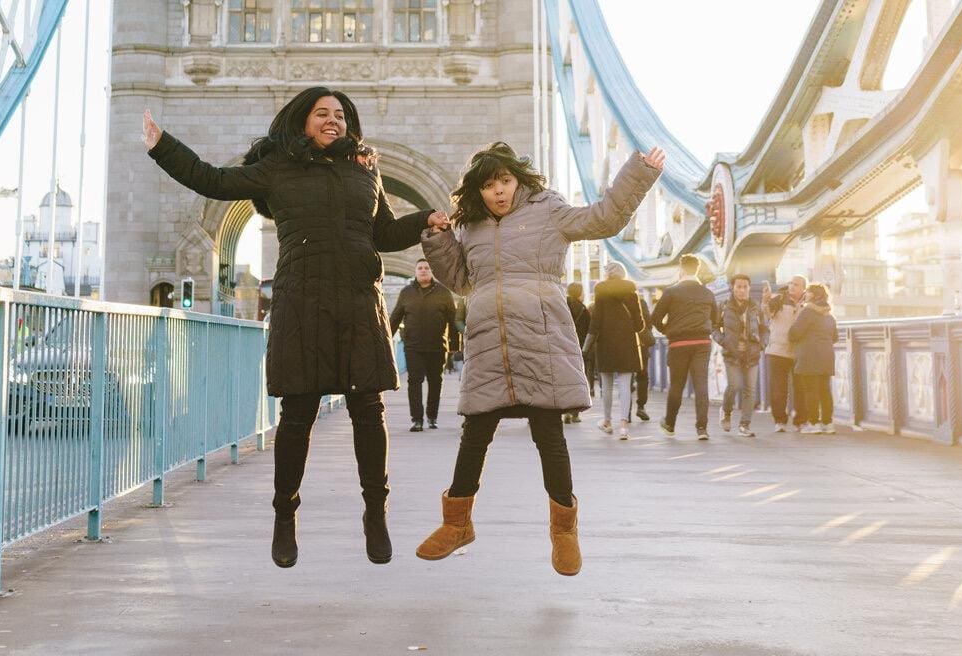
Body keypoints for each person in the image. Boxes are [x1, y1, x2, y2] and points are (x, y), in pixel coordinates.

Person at [142, 88, 445, 569]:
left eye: (340, 115)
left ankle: (376, 513)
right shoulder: (278, 167)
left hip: (357, 300)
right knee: (298, 412)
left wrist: (425, 219)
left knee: (369, 408)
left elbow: (384, 233)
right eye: (322, 114)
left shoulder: (365, 169)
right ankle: (285, 516)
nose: (333, 121)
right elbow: (213, 181)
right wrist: (163, 146)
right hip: (303, 302)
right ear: (302, 122)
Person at [416, 142, 664, 576]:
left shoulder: (549, 210)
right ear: (478, 189)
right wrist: (438, 240)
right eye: (490, 185)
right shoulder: (470, 226)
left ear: (519, 181)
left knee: (549, 437)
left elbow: (603, 217)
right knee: (474, 434)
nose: (498, 192)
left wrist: (638, 172)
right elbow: (458, 280)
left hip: (539, 342)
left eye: (506, 182)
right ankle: (456, 524)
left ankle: (564, 532)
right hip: (491, 342)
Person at [652, 255, 722, 442]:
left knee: (677, 385)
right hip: (702, 343)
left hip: (678, 343)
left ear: (682, 269)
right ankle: (702, 428)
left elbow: (655, 318)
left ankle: (670, 424)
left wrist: (668, 331)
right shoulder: (707, 293)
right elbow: (715, 320)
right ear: (697, 270)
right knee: (701, 385)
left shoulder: (671, 292)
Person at [390, 260, 459, 433]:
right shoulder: (406, 293)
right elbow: (395, 318)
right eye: (420, 268)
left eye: (426, 268)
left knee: (435, 382)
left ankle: (432, 416)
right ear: (415, 272)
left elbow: (453, 319)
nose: (423, 271)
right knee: (414, 382)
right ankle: (417, 420)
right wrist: (385, 339)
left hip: (437, 346)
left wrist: (454, 345)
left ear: (432, 271)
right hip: (413, 346)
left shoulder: (444, 293)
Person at [587, 261, 646, 439]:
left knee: (606, 386)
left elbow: (596, 320)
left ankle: (607, 421)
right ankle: (623, 425)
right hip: (626, 344)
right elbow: (639, 325)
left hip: (605, 343)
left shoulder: (601, 291)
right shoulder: (631, 292)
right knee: (624, 385)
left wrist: (587, 342)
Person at [717, 273, 766, 437]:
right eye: (739, 286)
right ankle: (726, 411)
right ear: (732, 287)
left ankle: (745, 425)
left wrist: (762, 344)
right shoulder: (724, 306)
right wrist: (724, 342)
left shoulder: (755, 306)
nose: (742, 290)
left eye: (745, 287)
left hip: (751, 354)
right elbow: (714, 328)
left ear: (749, 288)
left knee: (750, 390)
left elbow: (765, 329)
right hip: (732, 353)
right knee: (734, 385)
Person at [787, 282, 838, 433]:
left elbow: (794, 333)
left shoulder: (807, 312)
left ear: (813, 295)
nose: (805, 294)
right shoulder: (829, 315)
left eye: (808, 292)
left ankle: (814, 423)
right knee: (825, 390)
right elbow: (835, 337)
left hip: (809, 356)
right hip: (827, 356)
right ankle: (828, 424)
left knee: (810, 390)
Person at [763, 276, 807, 432]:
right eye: (790, 283)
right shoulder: (779, 299)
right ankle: (780, 421)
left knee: (801, 388)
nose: (792, 286)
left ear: (803, 288)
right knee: (778, 389)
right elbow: (767, 313)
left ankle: (800, 421)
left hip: (799, 352)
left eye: (796, 284)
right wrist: (765, 300)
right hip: (778, 351)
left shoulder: (807, 304)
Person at [563, 282, 591, 424]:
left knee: (563, 381)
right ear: (580, 293)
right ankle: (574, 414)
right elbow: (588, 331)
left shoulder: (561, 305)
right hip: (577, 349)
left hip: (561, 347)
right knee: (576, 382)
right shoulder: (584, 310)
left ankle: (563, 412)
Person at [632, 291, 657, 420]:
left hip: (625, 346)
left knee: (626, 377)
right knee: (642, 376)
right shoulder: (641, 303)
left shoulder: (618, 304)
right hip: (641, 345)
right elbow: (648, 322)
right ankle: (641, 406)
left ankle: (627, 411)